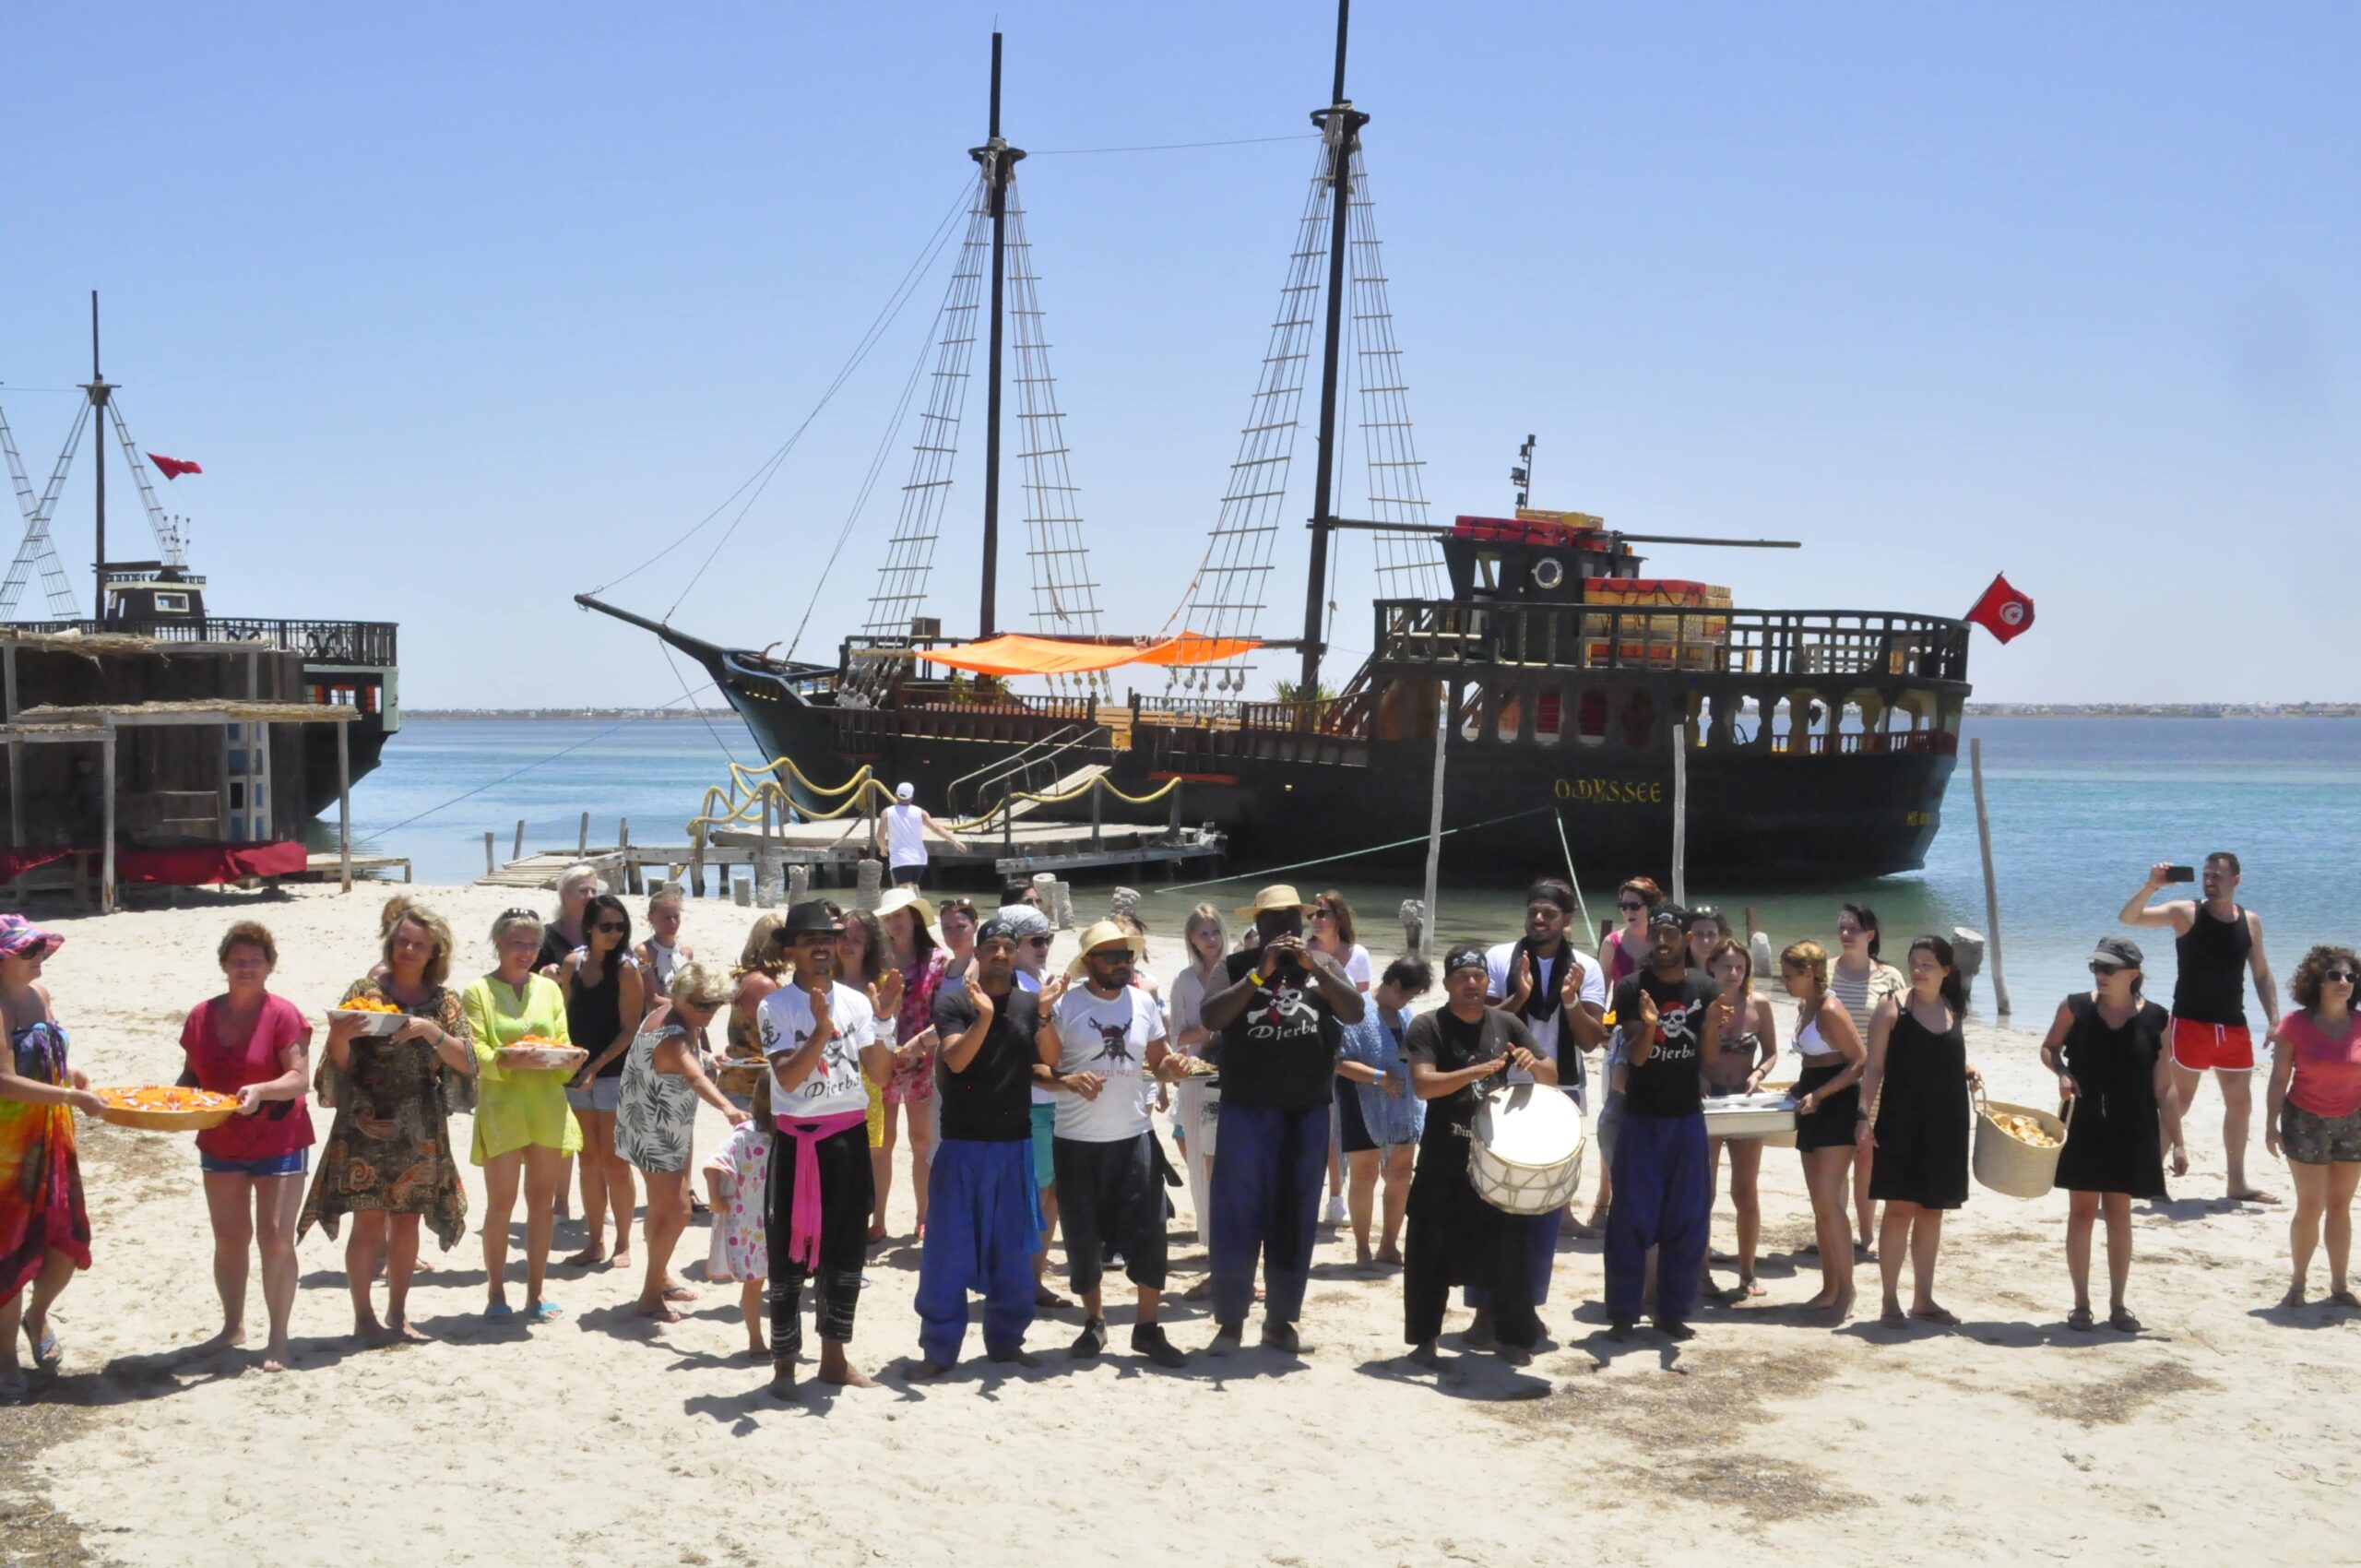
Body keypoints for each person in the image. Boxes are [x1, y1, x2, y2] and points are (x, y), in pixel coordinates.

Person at [1198, 885, 1367, 1354]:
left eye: (1292, 921)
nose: (1285, 930)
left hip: (1307, 1109)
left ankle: (1281, 1320)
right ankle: (1230, 1323)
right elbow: (1211, 1016)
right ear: (1260, 926)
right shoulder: (1235, 966)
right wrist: (1259, 974)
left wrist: (1318, 972)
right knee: (1237, 1214)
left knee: (1294, 1214)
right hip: (1247, 1108)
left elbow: (1354, 1012)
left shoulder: (1322, 966)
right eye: (1274, 922)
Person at [303, 907, 474, 1344]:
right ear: (391, 944)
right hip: (365, 1117)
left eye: (419, 944)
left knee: (407, 1224)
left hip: (420, 1124)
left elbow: (468, 1061)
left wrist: (428, 1031)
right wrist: (340, 1035)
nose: (409, 950)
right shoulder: (366, 991)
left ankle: (398, 1315)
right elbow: (337, 1065)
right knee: (367, 1224)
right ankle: (364, 1318)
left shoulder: (444, 1001)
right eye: (403, 942)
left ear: (435, 949)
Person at [1035, 921, 1191, 1367]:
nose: (1123, 964)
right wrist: (1046, 1022)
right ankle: (1094, 1322)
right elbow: (1046, 1062)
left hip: (1134, 1136)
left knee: (1150, 1233)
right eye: (1111, 956)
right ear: (1088, 963)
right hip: (1076, 1139)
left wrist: (1173, 1070)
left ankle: (1147, 1328)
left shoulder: (1143, 1002)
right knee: (1083, 1237)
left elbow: (1158, 1063)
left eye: (1127, 956)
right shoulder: (1066, 1003)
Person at [759, 900, 896, 1396]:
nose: (822, 946)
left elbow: (879, 1075)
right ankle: (784, 1366)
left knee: (846, 1251)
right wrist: (819, 1030)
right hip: (798, 1143)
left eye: (829, 937)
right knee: (786, 1254)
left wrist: (883, 1022)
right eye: (811, 938)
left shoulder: (857, 1002)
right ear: (792, 948)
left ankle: (834, 1360)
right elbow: (790, 1078)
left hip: (847, 1138)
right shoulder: (774, 1005)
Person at [1404, 944, 1559, 1367]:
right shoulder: (1427, 1025)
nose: (1470, 984)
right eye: (1461, 978)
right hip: (1442, 1156)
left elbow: (1551, 1077)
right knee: (1427, 1250)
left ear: (1488, 982)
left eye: (1477, 977)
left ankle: (1513, 1338)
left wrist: (1532, 1061)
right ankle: (1423, 1342)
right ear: (1449, 984)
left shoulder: (1506, 1022)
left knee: (1509, 1250)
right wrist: (1473, 1073)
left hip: (1495, 1158)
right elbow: (1423, 1085)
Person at [1570, 909, 1721, 1340]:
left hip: (1686, 1118)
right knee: (1630, 1219)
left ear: (1687, 938)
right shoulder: (1633, 988)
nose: (1662, 942)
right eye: (1656, 934)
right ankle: (1622, 1313)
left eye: (1671, 934)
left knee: (1687, 1218)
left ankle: (1672, 1312)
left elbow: (1708, 1060)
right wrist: (1651, 1027)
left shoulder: (1706, 988)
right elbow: (1634, 1058)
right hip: (1640, 1118)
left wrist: (1709, 1026)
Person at [910, 917, 1045, 1374]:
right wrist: (985, 1016)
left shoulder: (1029, 1005)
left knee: (1011, 1251)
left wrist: (1046, 1016)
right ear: (979, 953)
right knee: (947, 1252)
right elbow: (957, 1060)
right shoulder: (953, 1002)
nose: (1002, 955)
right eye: (993, 947)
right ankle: (939, 1350)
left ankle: (1006, 1341)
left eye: (1010, 947)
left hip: (1014, 1144)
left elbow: (1047, 1062)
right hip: (963, 1145)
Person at [180, 921, 314, 1369]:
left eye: (255, 961)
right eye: (238, 960)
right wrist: (172, 1104)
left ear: (270, 966)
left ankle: (278, 1338)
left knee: (276, 1238)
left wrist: (259, 1091)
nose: (246, 968)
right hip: (219, 1138)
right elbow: (189, 1078)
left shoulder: (284, 1014)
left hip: (280, 1136)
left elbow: (299, 1079)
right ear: (223, 965)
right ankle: (232, 1326)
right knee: (229, 1237)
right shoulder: (201, 1015)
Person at [2038, 936, 2185, 1332]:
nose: (2100, 975)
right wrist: (2063, 1073)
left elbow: (2164, 1085)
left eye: (2108, 969)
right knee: (2082, 1213)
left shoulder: (2157, 1018)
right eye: (2096, 968)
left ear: (2132, 975)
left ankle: (2119, 1305)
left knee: (2120, 1215)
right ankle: (2081, 1304)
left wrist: (2179, 1142)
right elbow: (2050, 1049)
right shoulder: (2076, 1007)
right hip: (2084, 1122)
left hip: (2131, 1126)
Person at [2121, 856, 2282, 1204]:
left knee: (2240, 1104)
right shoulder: (2186, 912)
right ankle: (2149, 1178)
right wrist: (2152, 886)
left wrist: (2273, 1018)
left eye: (2217, 876)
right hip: (2190, 1023)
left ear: (2236, 879)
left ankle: (2236, 1183)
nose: (2210, 881)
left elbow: (2261, 972)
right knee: (2179, 1100)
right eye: (2206, 875)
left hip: (2234, 1026)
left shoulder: (2250, 921)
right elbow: (2129, 918)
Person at [462, 909, 583, 1324]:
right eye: (518, 943)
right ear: (499, 942)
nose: (526, 952)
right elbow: (475, 1052)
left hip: (547, 1106)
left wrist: (572, 1059)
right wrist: (509, 1060)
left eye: (533, 944)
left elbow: (562, 1044)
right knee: (500, 1204)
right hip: (503, 1108)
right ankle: (496, 1291)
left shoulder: (549, 990)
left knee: (541, 1205)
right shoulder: (477, 991)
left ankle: (536, 1292)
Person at [616, 960, 749, 1322]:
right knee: (678, 1211)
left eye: (716, 1004)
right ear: (682, 997)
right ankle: (648, 1295)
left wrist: (708, 1057)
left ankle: (659, 1276)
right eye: (702, 1004)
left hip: (661, 1122)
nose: (710, 1011)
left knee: (663, 1209)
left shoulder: (671, 1015)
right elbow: (691, 1076)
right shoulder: (673, 1032)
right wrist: (728, 1107)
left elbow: (688, 1063)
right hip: (654, 1129)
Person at [1858, 935, 1979, 1327]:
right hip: (1901, 1121)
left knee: (1933, 1213)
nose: (1919, 970)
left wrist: (1968, 1069)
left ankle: (1923, 1299)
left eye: (1928, 964)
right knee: (1899, 1211)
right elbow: (1874, 1066)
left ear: (1947, 970)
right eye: (1915, 962)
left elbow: (1943, 1055)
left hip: (1948, 1123)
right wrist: (1862, 1116)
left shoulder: (1953, 1006)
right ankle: (1889, 1299)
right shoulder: (1892, 1008)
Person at [0, 916, 97, 1403]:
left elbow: (52, 1047)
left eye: (41, 946)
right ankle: (5, 1358)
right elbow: (4, 1080)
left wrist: (72, 1073)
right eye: (28, 949)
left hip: (53, 1137)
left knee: (64, 1243)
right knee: (12, 1250)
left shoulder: (41, 996)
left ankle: (36, 1319)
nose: (39, 954)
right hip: (9, 1148)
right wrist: (70, 1099)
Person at [2263, 944, 2361, 1310]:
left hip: (2354, 1121)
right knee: (2310, 1205)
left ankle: (2339, 1286)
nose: (2344, 982)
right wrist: (2270, 1125)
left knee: (2341, 1205)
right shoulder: (2295, 1025)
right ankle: (2298, 1284)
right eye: (2335, 975)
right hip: (2305, 1120)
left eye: (2351, 976)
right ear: (2317, 981)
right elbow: (2278, 1079)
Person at [1778, 940, 1868, 1319]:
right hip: (1813, 1101)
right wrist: (1801, 1089)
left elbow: (1859, 1061)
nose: (1783, 982)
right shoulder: (1805, 1006)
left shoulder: (1829, 1009)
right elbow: (1814, 1062)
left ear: (1810, 974)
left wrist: (1820, 1094)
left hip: (1837, 1106)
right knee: (1819, 1205)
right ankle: (1830, 1287)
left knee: (1831, 1202)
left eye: (1788, 976)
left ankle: (1847, 1290)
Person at [988, 901, 1069, 1309]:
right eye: (1036, 940)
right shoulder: (1013, 984)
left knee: (1051, 1193)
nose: (1044, 946)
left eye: (1048, 938)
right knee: (1033, 1195)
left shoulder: (1042, 978)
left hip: (1056, 1100)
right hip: (1031, 1101)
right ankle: (1021, 1280)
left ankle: (1033, 1278)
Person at [561, 893, 645, 1269]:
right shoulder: (571, 963)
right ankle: (594, 1241)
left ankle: (623, 1242)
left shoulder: (627, 968)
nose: (615, 933)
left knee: (614, 1161)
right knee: (587, 1160)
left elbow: (631, 1030)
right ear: (590, 928)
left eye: (620, 926)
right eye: (606, 926)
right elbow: (563, 1017)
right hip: (575, 1072)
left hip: (614, 1073)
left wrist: (596, 1067)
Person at [1336, 957, 1430, 1268]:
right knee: (1365, 1174)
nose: (1409, 1001)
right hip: (1360, 1098)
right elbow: (1338, 1061)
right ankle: (1362, 1249)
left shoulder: (1404, 1013)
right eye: (1408, 994)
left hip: (1403, 1102)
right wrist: (1379, 1078)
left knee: (1402, 1173)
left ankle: (1388, 1245)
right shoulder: (1356, 1010)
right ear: (1394, 985)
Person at [1701, 938, 1778, 1301]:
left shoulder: (1759, 1004)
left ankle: (1746, 1273)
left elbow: (1772, 1051)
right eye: (1726, 966)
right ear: (1711, 968)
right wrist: (1696, 1077)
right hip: (1708, 1100)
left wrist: (1759, 1074)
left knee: (1745, 1190)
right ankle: (1701, 1273)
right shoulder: (1701, 1003)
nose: (1732, 974)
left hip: (1744, 1103)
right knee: (1705, 1191)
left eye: (1739, 967)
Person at [1830, 904, 1905, 1255]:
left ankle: (1866, 1232)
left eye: (1853, 929)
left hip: (1875, 1080)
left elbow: (1903, 1026)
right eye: (1842, 928)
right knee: (1836, 1156)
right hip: (1834, 1077)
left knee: (1866, 1158)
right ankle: (1838, 1227)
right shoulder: (1826, 972)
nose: (1846, 935)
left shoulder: (1889, 976)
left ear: (1869, 935)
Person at [872, 887, 945, 1241]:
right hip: (882, 1059)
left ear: (914, 918)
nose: (893, 923)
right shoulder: (877, 960)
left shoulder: (937, 960)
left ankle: (925, 1215)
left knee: (921, 1141)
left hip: (924, 1060)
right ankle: (879, 1218)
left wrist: (921, 1044)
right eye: (888, 917)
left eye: (899, 915)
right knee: (881, 1143)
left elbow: (946, 1014)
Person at [1307, 891, 1370, 1226]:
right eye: (1312, 914)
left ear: (1339, 917)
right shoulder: (1305, 953)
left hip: (1349, 1040)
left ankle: (1336, 1195)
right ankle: (1328, 1196)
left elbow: (1362, 1005)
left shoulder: (1357, 954)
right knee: (1323, 1124)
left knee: (1341, 1123)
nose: (1316, 919)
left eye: (1323, 913)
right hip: (1312, 1042)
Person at [703, 1073, 775, 1359]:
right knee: (755, 1282)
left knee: (779, 1282)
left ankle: (781, 1339)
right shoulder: (747, 1133)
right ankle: (756, 1340)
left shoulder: (791, 1132)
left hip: (778, 1220)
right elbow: (714, 1165)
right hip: (749, 1222)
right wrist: (716, 1200)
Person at [721, 913, 789, 1111]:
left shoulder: (746, 977)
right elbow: (782, 1034)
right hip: (753, 1083)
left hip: (739, 1077)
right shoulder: (764, 985)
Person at [874, 780, 969, 887]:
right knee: (911, 889)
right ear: (912, 797)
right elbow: (937, 828)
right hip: (919, 860)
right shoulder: (921, 812)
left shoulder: (887, 812)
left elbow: (879, 836)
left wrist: (882, 849)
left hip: (900, 859)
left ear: (896, 795)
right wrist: (955, 842)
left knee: (906, 890)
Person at [635, 884, 693, 1016]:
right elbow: (652, 999)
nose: (673, 923)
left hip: (685, 1017)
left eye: (676, 917)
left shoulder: (686, 952)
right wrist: (690, 1008)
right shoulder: (644, 952)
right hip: (658, 1020)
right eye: (666, 918)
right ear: (651, 918)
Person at [1599, 876, 1664, 987]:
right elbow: (1601, 990)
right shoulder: (1611, 943)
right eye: (1623, 906)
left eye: (1634, 906)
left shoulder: (1664, 941)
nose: (1628, 912)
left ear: (1651, 908)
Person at [538, 863, 600, 973]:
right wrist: (544, 974)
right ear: (563, 895)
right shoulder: (544, 937)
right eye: (583, 891)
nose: (590, 896)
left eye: (593, 891)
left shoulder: (605, 931)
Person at [937, 897, 979, 986]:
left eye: (960, 926)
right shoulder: (943, 970)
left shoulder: (984, 967)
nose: (953, 934)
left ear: (975, 926)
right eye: (947, 928)